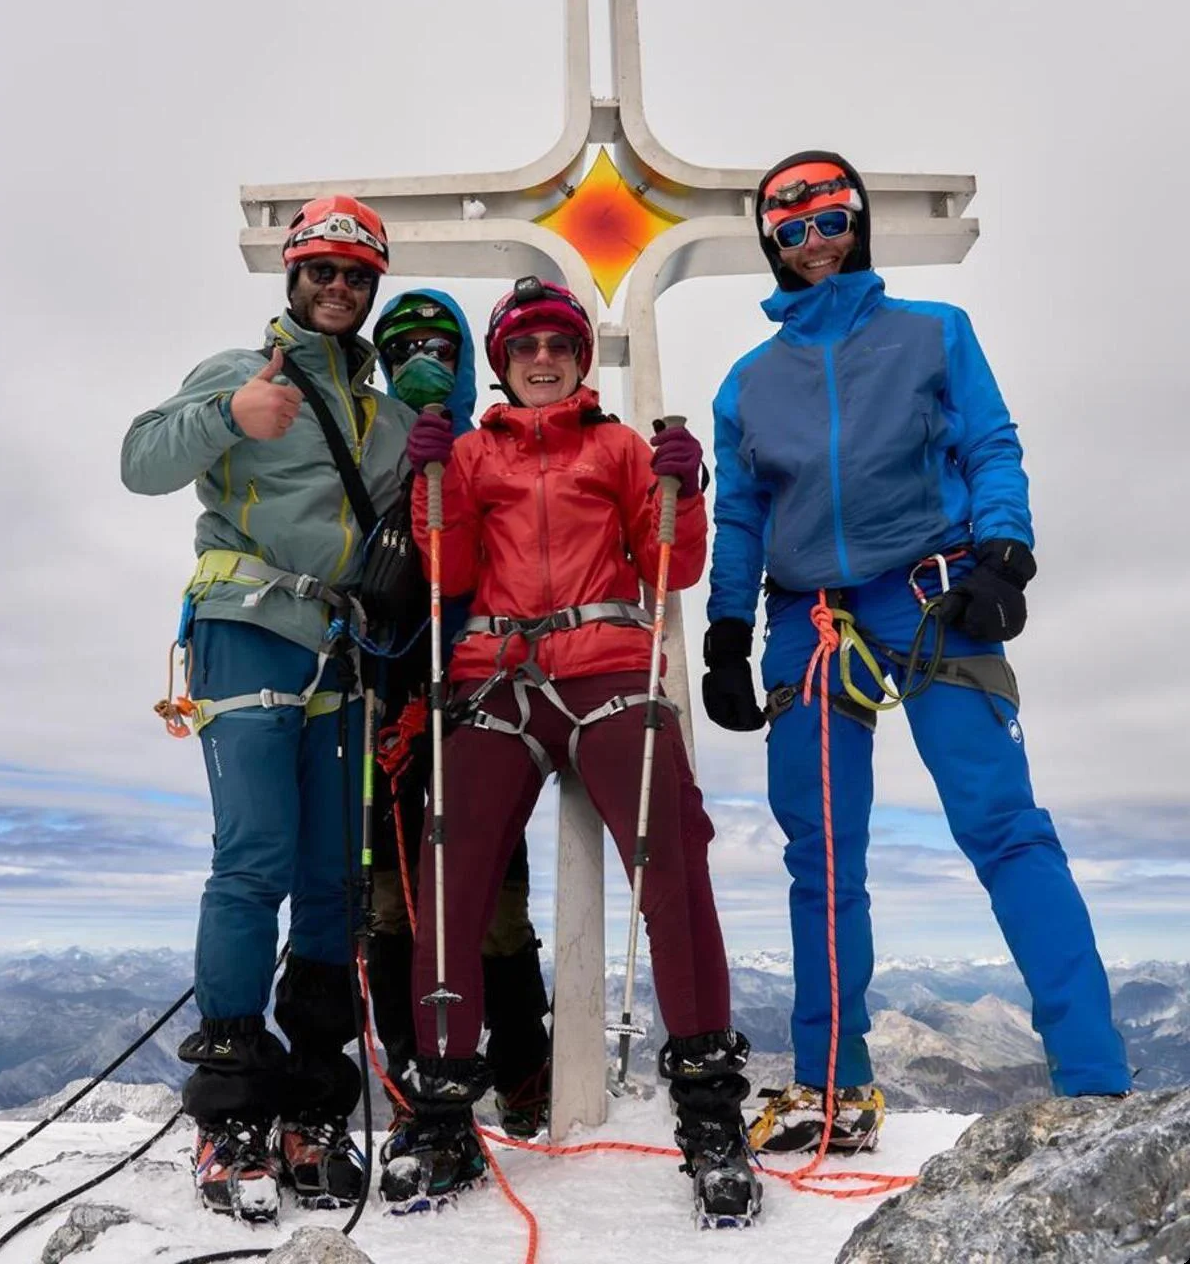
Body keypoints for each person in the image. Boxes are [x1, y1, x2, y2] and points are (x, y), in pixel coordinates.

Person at [703, 151, 1131, 1155]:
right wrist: (725, 630)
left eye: (832, 219)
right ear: (772, 242)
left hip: (937, 596)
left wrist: (1007, 551)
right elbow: (739, 513)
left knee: (1005, 825)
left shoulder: (935, 334)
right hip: (808, 617)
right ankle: (832, 1083)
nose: (817, 242)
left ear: (859, 220)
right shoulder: (749, 383)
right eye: (793, 229)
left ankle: (1096, 1081)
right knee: (822, 855)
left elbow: (991, 444)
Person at [381, 276, 762, 1226]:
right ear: (503, 364)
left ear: (579, 360)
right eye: (524, 347)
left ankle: (711, 1113)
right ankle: (441, 1115)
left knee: (671, 856)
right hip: (495, 669)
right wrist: (431, 485)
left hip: (604, 664)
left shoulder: (620, 447)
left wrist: (685, 486)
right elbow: (450, 570)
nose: (542, 357)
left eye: (558, 343)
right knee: (449, 869)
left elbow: (671, 562)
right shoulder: (469, 454)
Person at [121, 195, 415, 1220]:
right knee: (252, 861)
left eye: (356, 275)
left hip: (341, 646)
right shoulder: (240, 374)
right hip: (245, 623)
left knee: (333, 876)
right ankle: (233, 1107)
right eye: (322, 270)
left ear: (372, 286)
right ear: (292, 275)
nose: (338, 287)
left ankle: (314, 1102)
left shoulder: (386, 415)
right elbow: (140, 460)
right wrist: (225, 418)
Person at [363, 288, 552, 1167]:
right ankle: (414, 1076)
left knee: (494, 899)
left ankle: (523, 1070)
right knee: (393, 895)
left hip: (481, 687)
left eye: (440, 342)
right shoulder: (364, 448)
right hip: (393, 691)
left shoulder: (495, 447)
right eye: (401, 346)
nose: (422, 359)